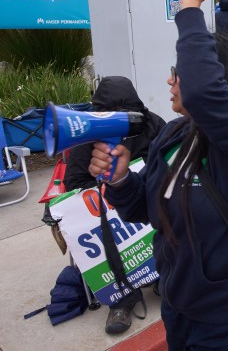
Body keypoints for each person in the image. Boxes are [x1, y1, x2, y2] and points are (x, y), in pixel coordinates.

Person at [89, 0, 228, 351]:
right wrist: (121, 180)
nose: (170, 82)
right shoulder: (173, 134)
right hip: (179, 302)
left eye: (177, 74)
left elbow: (205, 92)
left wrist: (190, 4)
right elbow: (146, 209)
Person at [63, 75, 166, 335]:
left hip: (143, 203)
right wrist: (109, 184)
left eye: (126, 112)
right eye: (112, 113)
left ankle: (161, 275)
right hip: (106, 209)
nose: (120, 118)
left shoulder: (152, 124)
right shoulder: (87, 133)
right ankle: (121, 299)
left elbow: (165, 166)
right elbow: (74, 182)